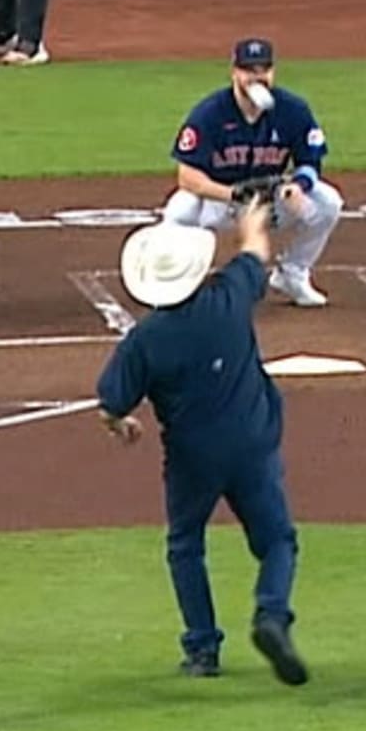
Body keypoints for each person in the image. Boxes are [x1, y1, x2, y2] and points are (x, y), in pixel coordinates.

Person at [94, 200, 310, 686]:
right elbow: (255, 252)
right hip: (253, 442)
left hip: (192, 457)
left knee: (186, 544)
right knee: (277, 540)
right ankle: (272, 614)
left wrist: (121, 426)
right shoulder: (229, 299)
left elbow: (110, 404)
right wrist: (251, 221)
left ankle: (202, 647)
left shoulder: (145, 340)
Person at [159, 37, 343, 308]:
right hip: (221, 202)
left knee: (328, 202)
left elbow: (310, 159)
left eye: (263, 70)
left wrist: (299, 186)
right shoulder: (209, 113)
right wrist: (233, 194)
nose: (257, 78)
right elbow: (187, 177)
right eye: (249, 71)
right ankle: (173, 281)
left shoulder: (293, 110)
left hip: (269, 202)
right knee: (179, 209)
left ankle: (292, 274)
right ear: (234, 72)